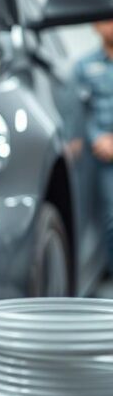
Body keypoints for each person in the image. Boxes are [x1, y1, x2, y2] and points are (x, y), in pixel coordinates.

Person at [78, 19, 113, 269]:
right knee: (109, 217)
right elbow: (80, 110)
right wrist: (97, 137)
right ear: (95, 26)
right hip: (102, 153)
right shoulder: (84, 66)